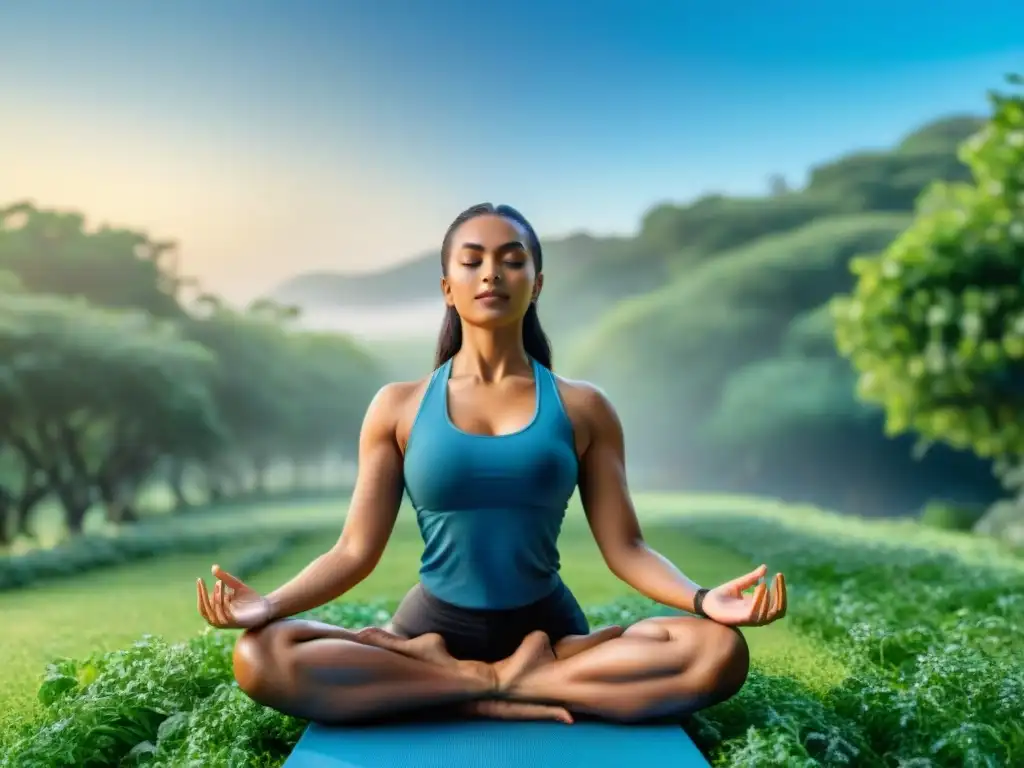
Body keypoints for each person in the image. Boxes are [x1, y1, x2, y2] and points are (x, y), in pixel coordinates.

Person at [195, 203, 788, 726]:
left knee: (717, 652)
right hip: (429, 633)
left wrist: (705, 599)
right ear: (447, 286)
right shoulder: (397, 406)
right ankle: (479, 686)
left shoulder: (584, 407)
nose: (491, 273)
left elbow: (627, 547)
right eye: (473, 260)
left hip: (550, 634)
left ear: (536, 281)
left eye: (511, 259)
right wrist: (269, 605)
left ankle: (476, 687)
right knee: (261, 655)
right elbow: (354, 551)